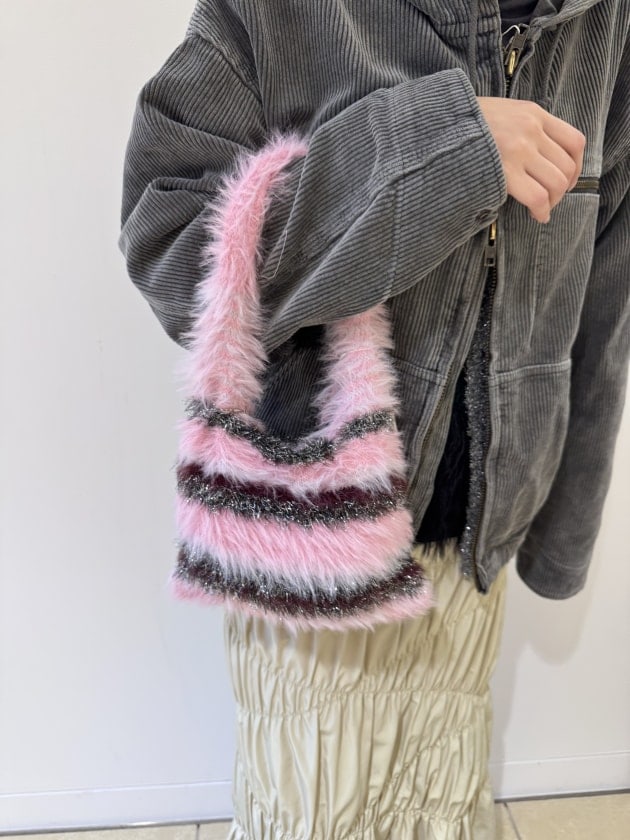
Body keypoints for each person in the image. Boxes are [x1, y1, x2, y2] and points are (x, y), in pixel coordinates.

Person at [118, 0, 630, 836]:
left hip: (471, 550)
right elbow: (171, 243)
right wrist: (443, 149)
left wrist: (561, 531)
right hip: (313, 541)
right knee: (313, 812)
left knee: (440, 811)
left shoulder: (602, 20)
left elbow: (604, 285)